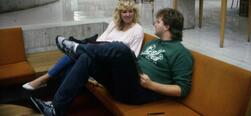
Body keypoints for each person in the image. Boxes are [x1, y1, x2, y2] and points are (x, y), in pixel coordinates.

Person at [30, 8, 193, 116]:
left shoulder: (181, 53)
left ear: (167, 26)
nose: (154, 24)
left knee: (121, 48)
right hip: (127, 83)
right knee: (88, 58)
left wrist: (152, 86)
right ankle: (56, 109)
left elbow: (182, 89)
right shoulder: (153, 43)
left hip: (141, 92)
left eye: (157, 22)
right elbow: (135, 64)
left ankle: (78, 48)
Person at [23, 0, 144, 90]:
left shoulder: (137, 29)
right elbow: (101, 39)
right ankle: (52, 87)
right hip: (100, 53)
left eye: (130, 11)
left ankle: (45, 79)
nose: (128, 14)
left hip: (115, 63)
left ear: (134, 13)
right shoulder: (114, 24)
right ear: (120, 13)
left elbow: (133, 55)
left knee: (79, 55)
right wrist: (94, 49)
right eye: (124, 12)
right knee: (79, 57)